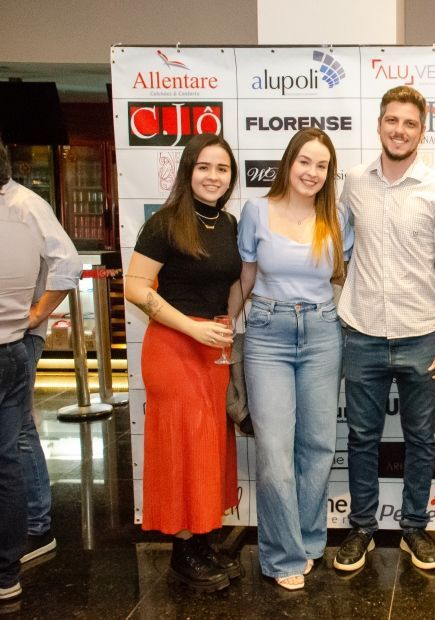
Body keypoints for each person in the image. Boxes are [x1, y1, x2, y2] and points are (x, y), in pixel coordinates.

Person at [333, 85, 435, 572]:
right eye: (392, 120)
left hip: (422, 335)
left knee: (422, 439)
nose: (400, 129)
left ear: (422, 130)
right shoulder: (353, 184)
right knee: (362, 438)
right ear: (379, 124)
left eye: (410, 123)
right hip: (362, 332)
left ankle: (414, 527)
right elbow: (339, 250)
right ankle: (363, 528)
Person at [233, 128, 352, 590]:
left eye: (322, 165)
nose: (312, 172)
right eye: (305, 161)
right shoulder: (256, 211)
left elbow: (341, 274)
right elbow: (245, 276)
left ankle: (308, 541)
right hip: (267, 332)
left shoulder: (337, 216)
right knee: (276, 449)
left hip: (323, 331)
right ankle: (282, 556)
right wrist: (227, 330)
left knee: (319, 444)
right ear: (289, 162)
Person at [124, 133, 243, 592]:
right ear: (188, 171)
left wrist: (225, 326)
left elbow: (232, 284)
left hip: (212, 346)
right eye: (204, 168)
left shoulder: (229, 224)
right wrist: (192, 328)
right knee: (183, 445)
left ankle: (202, 539)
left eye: (223, 169)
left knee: (208, 444)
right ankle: (182, 551)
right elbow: (136, 288)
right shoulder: (165, 223)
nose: (214, 177)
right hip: (174, 347)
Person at [0, 141, 81, 567]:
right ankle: (30, 523)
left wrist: (36, 314)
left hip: (15, 337)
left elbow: (68, 264)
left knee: (16, 434)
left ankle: (34, 525)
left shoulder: (25, 205)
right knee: (17, 431)